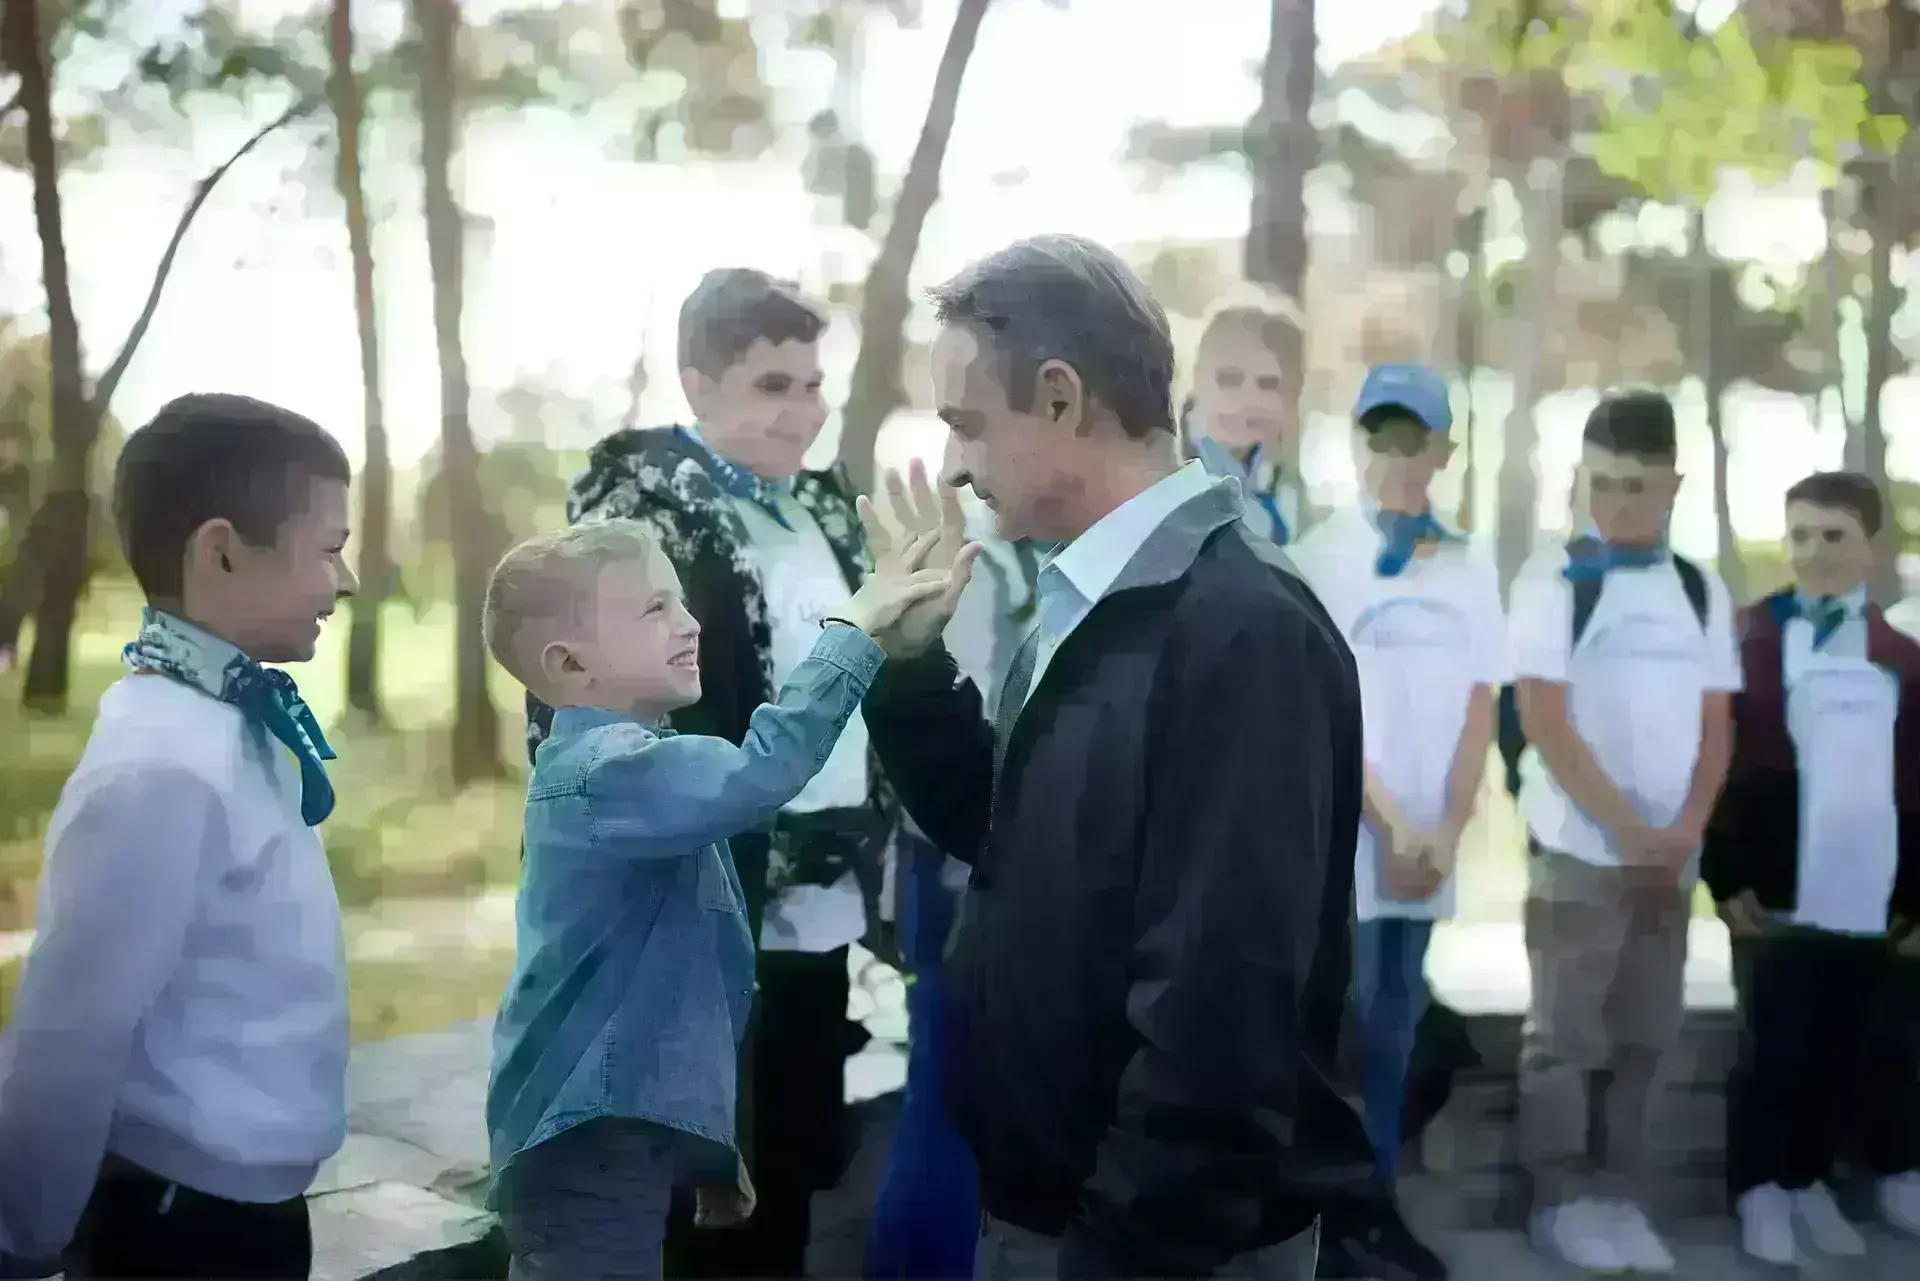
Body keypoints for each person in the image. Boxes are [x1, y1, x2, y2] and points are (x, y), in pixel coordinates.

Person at [860, 234, 1375, 1280]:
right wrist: (910, 677)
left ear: (1059, 398)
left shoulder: (1243, 631)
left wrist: (1119, 1251)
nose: (954, 465)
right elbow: (1021, 843)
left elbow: (1220, 1012)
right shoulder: (1087, 594)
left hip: (1136, 1248)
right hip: (1054, 1217)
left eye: (967, 423)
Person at [483, 517, 976, 1281]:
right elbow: (761, 771)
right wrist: (850, 636)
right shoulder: (604, 772)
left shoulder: (636, 769)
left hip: (608, 1135)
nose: (690, 623)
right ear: (569, 663)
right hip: (586, 1142)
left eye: (680, 602)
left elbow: (681, 986)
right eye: (655, 609)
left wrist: (706, 1152)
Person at [524, 268, 892, 1278]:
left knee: (794, 1155)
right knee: (703, 1182)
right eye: (774, 386)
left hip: (819, 900)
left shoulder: (821, 504)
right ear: (696, 383)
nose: (803, 411)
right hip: (704, 896)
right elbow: (578, 700)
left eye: (814, 385)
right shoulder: (640, 506)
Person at [0, 395, 358, 1280]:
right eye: (329, 549)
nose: (346, 581)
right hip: (179, 1223)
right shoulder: (164, 762)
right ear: (221, 550)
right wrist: (24, 1235)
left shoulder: (226, 721)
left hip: (246, 1209)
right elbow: (72, 1026)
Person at [1508, 391, 1739, 1275]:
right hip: (1580, 853)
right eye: (1600, 482)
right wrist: (1626, 827)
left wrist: (1683, 830)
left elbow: (1717, 725)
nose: (1615, 502)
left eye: (1636, 485)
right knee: (1566, 1038)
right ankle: (1561, 1201)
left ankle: (1619, 1195)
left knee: (1646, 1036)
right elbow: (1543, 717)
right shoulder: (1554, 580)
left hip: (1669, 861)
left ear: (1673, 484)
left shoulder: (1698, 589)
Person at [1288, 364, 1504, 1281]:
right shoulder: (1320, 555)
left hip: (1429, 842)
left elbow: (1481, 703)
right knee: (1348, 1021)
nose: (1394, 457)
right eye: (1378, 438)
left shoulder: (1469, 562)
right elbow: (1326, 704)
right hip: (1353, 836)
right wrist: (1386, 825)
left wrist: (1445, 828)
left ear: (1444, 451)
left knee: (1401, 1021)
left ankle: (1375, 1206)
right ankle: (1333, 1218)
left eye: (1413, 439)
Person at [1704, 471, 1920, 1266]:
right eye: (1800, 534)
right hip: (1775, 889)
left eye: (1834, 535)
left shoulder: (1902, 657)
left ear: (1871, 546)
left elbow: (1916, 781)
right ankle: (1759, 1188)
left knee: (1844, 1043)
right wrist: (1725, 876)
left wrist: (1915, 892)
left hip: (1868, 887)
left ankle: (1808, 1179)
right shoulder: (1748, 640)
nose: (1814, 551)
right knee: (1774, 1045)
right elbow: (1718, 765)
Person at [1181, 298, 1308, 544]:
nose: (1247, 400)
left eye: (1268, 384)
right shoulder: (1158, 479)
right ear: (1198, 379)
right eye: (1228, 380)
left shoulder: (1286, 483)